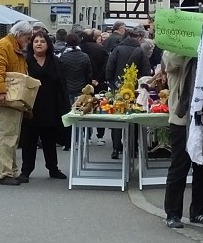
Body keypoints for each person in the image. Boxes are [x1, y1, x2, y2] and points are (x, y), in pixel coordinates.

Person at [162, 50, 203, 228]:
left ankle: (198, 210)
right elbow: (170, 64)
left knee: (202, 166)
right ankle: (173, 213)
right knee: (179, 165)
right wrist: (186, 47)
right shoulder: (174, 49)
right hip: (181, 118)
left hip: (201, 117)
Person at [0, 20, 34, 185]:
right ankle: (4, 173)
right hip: (8, 97)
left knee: (12, 135)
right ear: (19, 35)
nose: (29, 41)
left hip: (12, 97)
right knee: (8, 135)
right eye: (28, 37)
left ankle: (10, 171)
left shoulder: (10, 45)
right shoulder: (5, 46)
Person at [19, 31, 70, 181]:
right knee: (29, 141)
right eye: (36, 41)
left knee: (49, 140)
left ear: (48, 45)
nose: (39, 44)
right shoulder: (25, 62)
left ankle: (53, 168)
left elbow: (62, 85)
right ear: (31, 45)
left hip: (51, 106)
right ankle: (26, 170)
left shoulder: (56, 62)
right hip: (31, 107)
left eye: (42, 41)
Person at [105, 27, 152, 160]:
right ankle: (134, 147)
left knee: (117, 116)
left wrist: (111, 82)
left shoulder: (117, 49)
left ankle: (116, 147)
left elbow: (109, 68)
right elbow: (146, 71)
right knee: (134, 117)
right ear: (138, 37)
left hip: (118, 87)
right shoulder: (140, 51)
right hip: (135, 89)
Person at [80, 29, 109, 145]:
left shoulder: (79, 49)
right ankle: (100, 135)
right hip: (99, 83)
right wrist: (98, 79)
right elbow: (106, 66)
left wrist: (88, 80)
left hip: (84, 85)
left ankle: (86, 135)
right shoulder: (101, 49)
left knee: (84, 107)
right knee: (99, 108)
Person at [60, 33, 95, 105]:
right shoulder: (85, 56)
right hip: (81, 89)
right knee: (79, 109)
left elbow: (60, 74)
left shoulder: (63, 57)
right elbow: (89, 74)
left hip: (67, 89)